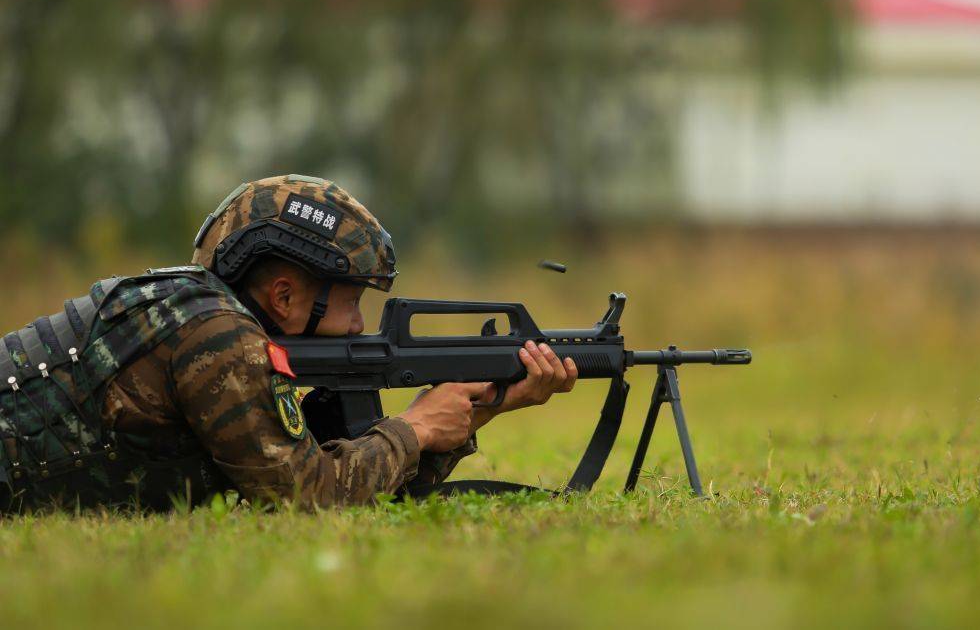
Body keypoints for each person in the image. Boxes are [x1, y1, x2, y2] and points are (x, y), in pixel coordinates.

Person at [0, 175, 577, 511]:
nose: (358, 325)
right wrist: (418, 427)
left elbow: (356, 488)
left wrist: (474, 412)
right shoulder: (218, 337)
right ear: (283, 296)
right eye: (352, 302)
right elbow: (308, 497)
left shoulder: (200, 312)